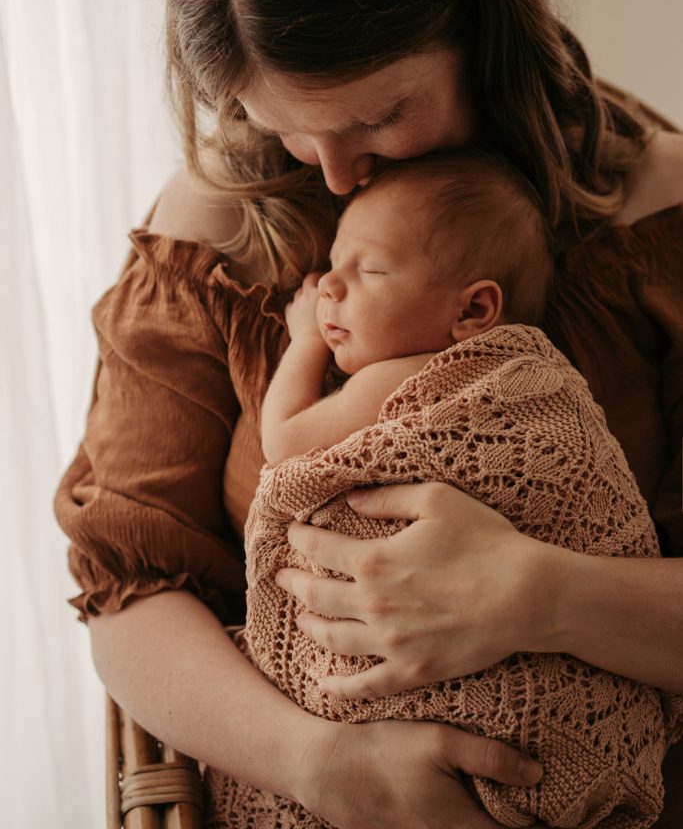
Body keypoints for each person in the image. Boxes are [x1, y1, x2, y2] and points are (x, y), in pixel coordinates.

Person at [53, 0, 683, 826]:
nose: (336, 176)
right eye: (285, 128)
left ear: (485, 31)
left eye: (376, 117)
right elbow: (127, 589)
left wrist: (539, 594)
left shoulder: (659, 218)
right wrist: (323, 765)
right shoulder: (216, 229)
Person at [208, 151, 676, 828]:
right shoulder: (545, 381)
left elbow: (285, 441)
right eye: (335, 263)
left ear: (474, 309)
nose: (330, 285)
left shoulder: (403, 376)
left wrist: (303, 338)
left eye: (368, 270)